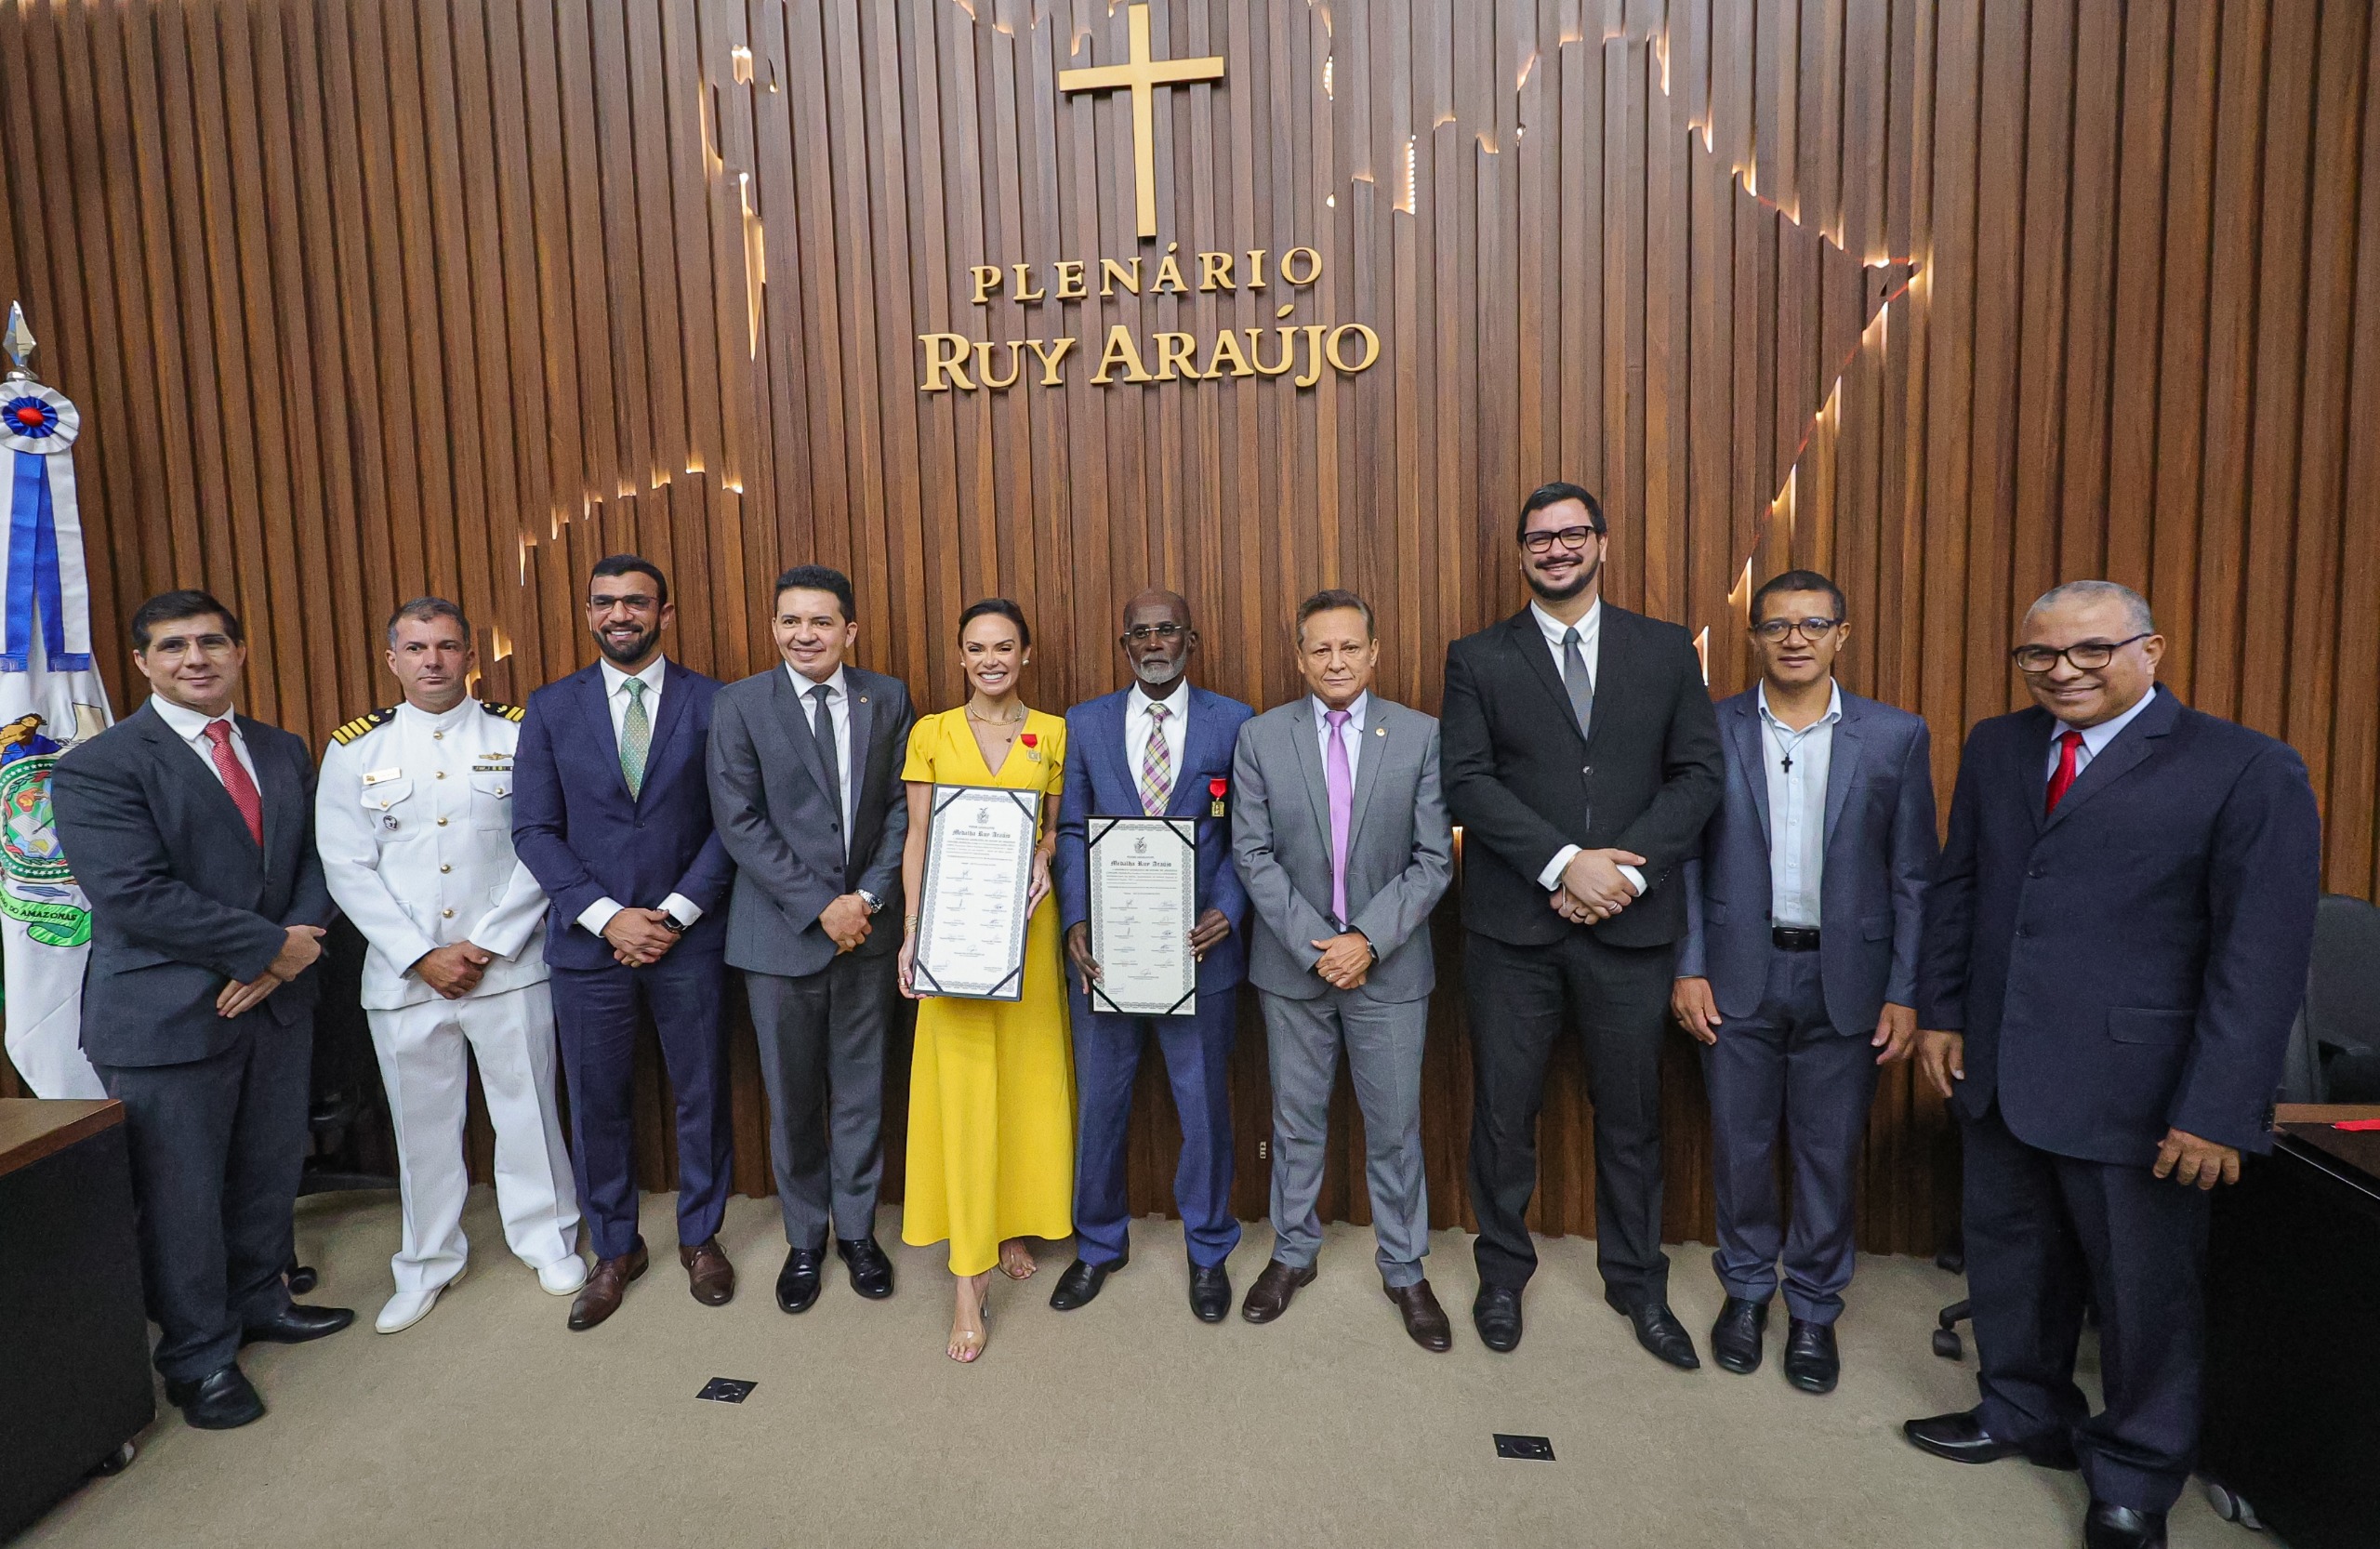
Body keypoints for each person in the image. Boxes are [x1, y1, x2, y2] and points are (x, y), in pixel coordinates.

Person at [1903, 581, 2320, 1549]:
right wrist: (1942, 1013)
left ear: (2150, 649)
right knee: (2011, 1257)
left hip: (2142, 1086)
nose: (2062, 672)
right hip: (2000, 1064)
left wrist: (2219, 1109)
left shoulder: (2244, 767)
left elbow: (2260, 958)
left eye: (2089, 651)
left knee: (2143, 1292)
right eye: (2040, 656)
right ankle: (2018, 1409)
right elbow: (1959, 885)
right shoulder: (2000, 746)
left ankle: (2134, 1469)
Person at [50, 589, 351, 1429]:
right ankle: (197, 1357)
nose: (196, 658)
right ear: (142, 663)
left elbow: (322, 860)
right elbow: (132, 894)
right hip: (168, 1018)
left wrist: (294, 946)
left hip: (278, 1005)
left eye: (212, 642)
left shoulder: (281, 749)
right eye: (173, 646)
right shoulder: (98, 765)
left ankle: (263, 1301)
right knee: (181, 1196)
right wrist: (269, 950)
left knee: (266, 1172)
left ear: (240, 652)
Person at [1440, 481, 1724, 1365]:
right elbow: (1469, 781)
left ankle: (1638, 1282)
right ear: (1520, 552)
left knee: (1633, 1114)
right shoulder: (1478, 657)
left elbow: (1699, 776)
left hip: (1630, 928)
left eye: (1572, 535)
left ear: (1603, 542)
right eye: (1539, 538)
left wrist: (1620, 875)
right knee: (1503, 1112)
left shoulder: (1668, 649)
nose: (1556, 550)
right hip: (1512, 930)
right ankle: (1501, 1273)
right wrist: (1567, 865)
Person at [1670, 570, 1936, 1393]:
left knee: (1827, 1152)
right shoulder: (1709, 731)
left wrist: (1905, 988)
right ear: (1753, 637)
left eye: (1812, 624)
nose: (1794, 638)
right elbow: (1682, 859)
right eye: (1777, 625)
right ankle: (1747, 1292)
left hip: (1847, 980)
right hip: (1738, 974)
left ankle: (1815, 1308)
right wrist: (1689, 965)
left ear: (1840, 637)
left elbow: (1914, 875)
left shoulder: (1894, 737)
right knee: (1741, 1146)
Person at [316, 599, 585, 1335]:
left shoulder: (518, 733)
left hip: (508, 964)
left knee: (527, 1111)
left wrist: (488, 942)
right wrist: (422, 954)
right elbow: (346, 866)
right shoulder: (355, 750)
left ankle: (546, 1238)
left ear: (472, 655)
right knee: (423, 1127)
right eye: (416, 648)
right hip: (406, 977)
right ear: (391, 658)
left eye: (446, 646)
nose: (431, 660)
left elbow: (543, 843)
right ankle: (428, 1261)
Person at [512, 555, 736, 1331]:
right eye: (605, 602)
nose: (620, 615)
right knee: (598, 1101)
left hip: (690, 940)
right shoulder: (548, 708)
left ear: (664, 614)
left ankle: (701, 1238)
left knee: (701, 1092)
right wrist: (608, 916)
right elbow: (533, 830)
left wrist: (672, 914)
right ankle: (614, 1248)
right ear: (587, 613)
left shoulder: (715, 703)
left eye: (636, 602)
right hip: (588, 947)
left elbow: (730, 824)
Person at [1230, 589, 1454, 1349]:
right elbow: (1252, 856)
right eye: (1320, 649)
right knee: (1295, 1123)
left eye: (1349, 647)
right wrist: (1317, 946)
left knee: (1394, 1127)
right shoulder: (1261, 738)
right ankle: (1293, 1253)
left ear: (1374, 652)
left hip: (1388, 969)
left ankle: (1405, 1267)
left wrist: (1366, 940)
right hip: (1293, 968)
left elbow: (1433, 859)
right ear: (1299, 658)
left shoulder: (1420, 735)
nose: (1335, 661)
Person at [707, 565, 914, 1314]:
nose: (805, 635)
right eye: (791, 621)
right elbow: (740, 822)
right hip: (780, 939)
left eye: (821, 622)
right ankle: (804, 1239)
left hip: (867, 930)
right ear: (773, 629)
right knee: (792, 1097)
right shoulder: (739, 705)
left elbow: (903, 808)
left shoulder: (887, 697)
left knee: (861, 1091)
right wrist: (820, 905)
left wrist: (865, 898)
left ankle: (857, 1232)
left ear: (849, 630)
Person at [1050, 589, 1252, 1322]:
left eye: (1168, 629)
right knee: (1100, 1106)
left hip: (1201, 955)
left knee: (1203, 1110)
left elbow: (1244, 833)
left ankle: (1208, 1249)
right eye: (1140, 632)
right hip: (1108, 955)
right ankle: (1099, 1244)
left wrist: (1226, 910)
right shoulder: (1087, 723)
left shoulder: (1235, 722)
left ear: (1191, 640)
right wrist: (1076, 918)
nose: (1154, 641)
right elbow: (1072, 830)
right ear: (1125, 645)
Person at [895, 599, 1074, 1362]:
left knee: (1023, 1086)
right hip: (953, 938)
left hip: (1027, 935)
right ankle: (968, 1277)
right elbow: (919, 836)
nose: (991, 658)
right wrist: (911, 934)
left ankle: (1006, 1222)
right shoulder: (930, 733)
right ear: (961, 656)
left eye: (1005, 646)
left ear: (1025, 654)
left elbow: (1054, 827)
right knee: (964, 1093)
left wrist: (1046, 852)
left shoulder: (1053, 733)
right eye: (977, 648)